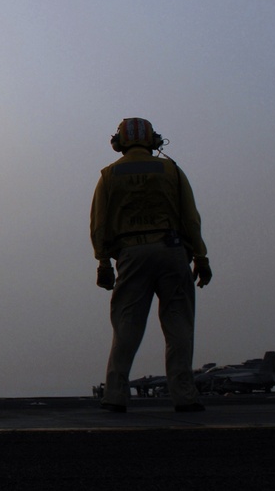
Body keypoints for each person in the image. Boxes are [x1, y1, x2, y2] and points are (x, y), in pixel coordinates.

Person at [90, 118, 212, 413]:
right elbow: (190, 218)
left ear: (119, 143)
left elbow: (99, 224)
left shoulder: (109, 175)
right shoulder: (171, 170)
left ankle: (116, 395)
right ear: (153, 140)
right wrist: (201, 257)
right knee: (178, 326)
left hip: (132, 255)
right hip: (172, 251)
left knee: (126, 327)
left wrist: (103, 262)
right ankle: (185, 395)